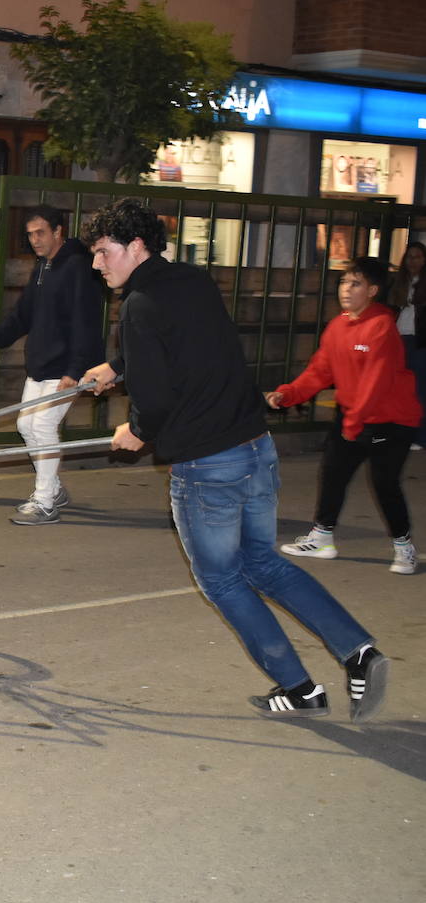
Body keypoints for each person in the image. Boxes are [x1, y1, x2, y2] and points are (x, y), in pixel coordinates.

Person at [80, 198, 387, 722]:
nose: (97, 264)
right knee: (263, 562)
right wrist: (116, 365)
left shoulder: (137, 305)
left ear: (135, 247)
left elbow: (154, 400)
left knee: (222, 580)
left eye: (104, 252)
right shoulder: (193, 282)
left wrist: (137, 432)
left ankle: (299, 687)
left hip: (206, 465)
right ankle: (359, 651)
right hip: (254, 447)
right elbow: (183, 346)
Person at [268, 256, 420, 575]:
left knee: (384, 483)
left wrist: (353, 423)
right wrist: (289, 393)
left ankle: (404, 548)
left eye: (355, 283)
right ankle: (323, 538)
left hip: (391, 421)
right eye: (343, 282)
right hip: (354, 415)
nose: (346, 289)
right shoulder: (339, 325)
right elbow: (320, 371)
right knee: (333, 473)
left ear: (373, 290)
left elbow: (375, 382)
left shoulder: (382, 327)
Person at [0, 204, 103, 525]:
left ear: (58, 231)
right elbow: (23, 315)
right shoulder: (43, 267)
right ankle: (54, 488)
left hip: (67, 368)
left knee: (43, 426)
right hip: (41, 364)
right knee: (25, 426)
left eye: (40, 232)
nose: (34, 240)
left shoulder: (78, 267)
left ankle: (45, 501)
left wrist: (75, 371)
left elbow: (85, 323)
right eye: (30, 234)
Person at [388, 240, 426, 450]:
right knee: (400, 387)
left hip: (419, 339)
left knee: (419, 388)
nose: (413, 261)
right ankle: (400, 431)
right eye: (410, 257)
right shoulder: (399, 282)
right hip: (400, 337)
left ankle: (420, 436)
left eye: (418, 256)